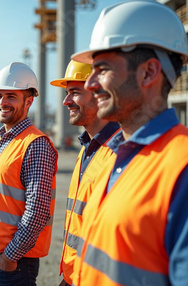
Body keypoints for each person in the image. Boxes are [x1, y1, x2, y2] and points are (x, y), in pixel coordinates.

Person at [70, 1, 188, 285]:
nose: (90, 84)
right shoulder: (114, 155)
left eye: (102, 69)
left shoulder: (181, 168)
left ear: (148, 72)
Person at [0, 62, 58, 286]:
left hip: (14, 263)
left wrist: (9, 257)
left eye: (11, 96)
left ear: (29, 101)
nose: (2, 102)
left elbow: (37, 211)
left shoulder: (36, 144)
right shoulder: (3, 139)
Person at [50, 60, 120, 286]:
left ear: (100, 94)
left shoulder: (118, 154)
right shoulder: (87, 149)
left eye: (74, 92)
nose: (65, 101)